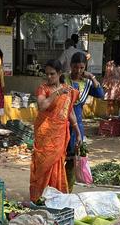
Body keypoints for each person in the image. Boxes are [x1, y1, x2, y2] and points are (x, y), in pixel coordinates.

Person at [29, 60, 77, 201]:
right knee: (42, 164)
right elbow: (42, 106)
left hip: (59, 134)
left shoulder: (67, 89)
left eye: (52, 74)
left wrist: (78, 131)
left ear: (59, 73)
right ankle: (40, 195)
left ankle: (55, 194)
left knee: (57, 163)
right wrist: (56, 93)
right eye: (47, 74)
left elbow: (70, 111)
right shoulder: (43, 89)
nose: (49, 77)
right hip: (44, 133)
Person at [65, 53, 105, 187]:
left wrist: (92, 77)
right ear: (71, 66)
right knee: (59, 157)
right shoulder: (63, 79)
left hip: (77, 124)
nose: (78, 71)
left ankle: (67, 187)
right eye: (76, 67)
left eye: (82, 68)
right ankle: (58, 184)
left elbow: (100, 94)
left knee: (73, 156)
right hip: (62, 123)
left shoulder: (86, 83)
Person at [101, 53, 120, 117]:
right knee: (119, 102)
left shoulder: (109, 63)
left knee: (110, 102)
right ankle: (119, 116)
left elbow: (107, 75)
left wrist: (105, 85)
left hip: (111, 84)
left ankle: (109, 116)